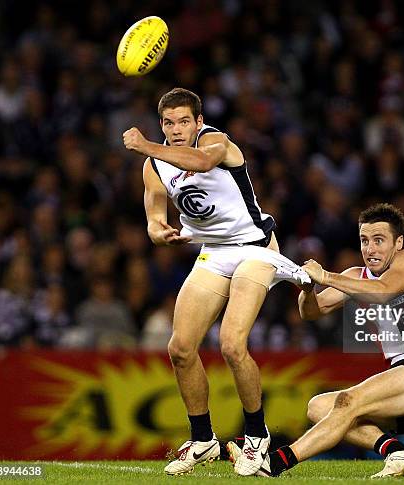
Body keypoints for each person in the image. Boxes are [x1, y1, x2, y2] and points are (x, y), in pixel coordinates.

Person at [122, 88, 309, 476]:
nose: (176, 130)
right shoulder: (154, 166)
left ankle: (257, 437)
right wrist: (159, 231)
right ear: (162, 124)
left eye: (183, 121)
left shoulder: (215, 141)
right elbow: (154, 216)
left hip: (256, 247)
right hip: (214, 252)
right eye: (169, 123)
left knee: (231, 344)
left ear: (198, 121)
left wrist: (145, 145)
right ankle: (204, 439)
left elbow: (203, 162)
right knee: (180, 348)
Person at [228, 203, 404, 477]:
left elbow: (382, 291)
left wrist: (326, 275)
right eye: (364, 241)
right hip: (403, 376)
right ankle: (397, 452)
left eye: (378, 240)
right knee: (319, 407)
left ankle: (275, 462)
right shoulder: (355, 276)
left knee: (349, 401)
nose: (370, 249)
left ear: (398, 243)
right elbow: (311, 311)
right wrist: (308, 286)